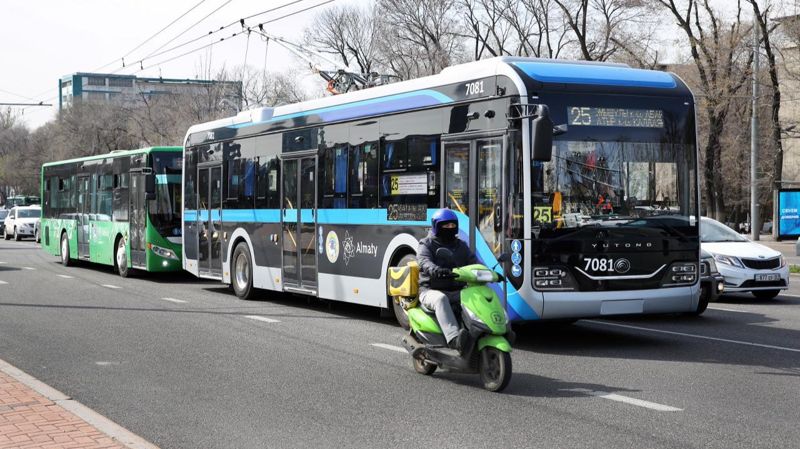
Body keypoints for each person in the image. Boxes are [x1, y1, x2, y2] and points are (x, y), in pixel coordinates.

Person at [417, 209, 477, 353]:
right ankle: (454, 339)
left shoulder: (460, 245)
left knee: (477, 295)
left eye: (452, 226)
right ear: (436, 226)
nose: (449, 228)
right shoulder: (426, 244)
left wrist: (489, 272)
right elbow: (424, 262)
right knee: (441, 299)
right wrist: (436, 270)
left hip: (456, 289)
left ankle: (481, 332)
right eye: (446, 226)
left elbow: (473, 261)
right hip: (431, 290)